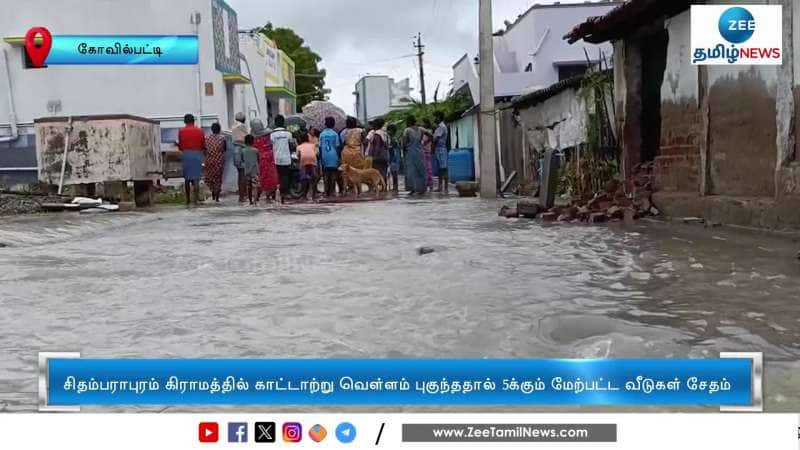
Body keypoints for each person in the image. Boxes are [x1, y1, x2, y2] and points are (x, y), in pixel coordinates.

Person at [177, 113, 205, 205]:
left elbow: (180, 146)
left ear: (185, 121)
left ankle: (188, 199)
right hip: (197, 154)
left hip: (186, 155)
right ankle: (195, 200)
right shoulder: (200, 131)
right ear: (193, 121)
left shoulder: (181, 131)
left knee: (187, 178)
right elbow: (202, 145)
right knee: (196, 178)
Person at [251, 119, 279, 204]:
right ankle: (270, 197)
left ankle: (257, 198)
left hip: (260, 161)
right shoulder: (267, 136)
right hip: (270, 159)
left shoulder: (254, 140)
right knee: (271, 178)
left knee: (261, 179)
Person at [270, 115, 296, 204]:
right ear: (283, 122)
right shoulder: (288, 133)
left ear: (275, 123)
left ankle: (274, 194)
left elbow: (270, 146)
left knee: (275, 176)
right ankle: (283, 194)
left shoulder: (272, 134)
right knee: (285, 176)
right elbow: (292, 145)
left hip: (275, 158)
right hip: (286, 158)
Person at [402, 115, 427, 196]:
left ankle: (412, 189)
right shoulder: (421, 129)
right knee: (420, 169)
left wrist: (404, 151)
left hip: (410, 152)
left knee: (410, 171)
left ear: (408, 122)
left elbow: (404, 142)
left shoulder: (407, 130)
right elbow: (430, 135)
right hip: (419, 151)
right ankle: (422, 188)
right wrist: (422, 142)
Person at [203, 122, 226, 202]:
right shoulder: (222, 138)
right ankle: (217, 197)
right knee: (218, 179)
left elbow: (204, 150)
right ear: (219, 130)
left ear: (212, 130)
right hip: (219, 161)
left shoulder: (206, 138)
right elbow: (224, 149)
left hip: (209, 160)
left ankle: (213, 194)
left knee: (210, 178)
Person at [319, 116, 342, 197]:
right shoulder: (335, 134)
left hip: (325, 156)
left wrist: (321, 158)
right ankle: (332, 192)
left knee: (326, 175)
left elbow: (320, 147)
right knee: (333, 175)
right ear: (333, 124)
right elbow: (338, 146)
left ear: (325, 124)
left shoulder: (322, 134)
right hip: (333, 156)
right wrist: (339, 158)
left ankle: (326, 192)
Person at [231, 112, 249, 203]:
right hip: (242, 150)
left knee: (240, 173)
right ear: (244, 119)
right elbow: (247, 138)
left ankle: (241, 195)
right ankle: (243, 196)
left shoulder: (233, 126)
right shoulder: (242, 127)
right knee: (243, 174)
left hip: (235, 151)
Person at [366, 118, 390, 184]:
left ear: (376, 125)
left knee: (377, 171)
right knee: (383, 171)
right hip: (385, 155)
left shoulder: (377, 134)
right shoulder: (385, 133)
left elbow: (377, 145)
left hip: (378, 156)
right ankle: (384, 186)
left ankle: (379, 186)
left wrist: (374, 156)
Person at [296, 132, 318, 201]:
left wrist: (301, 164)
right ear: (308, 138)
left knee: (304, 178)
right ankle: (314, 194)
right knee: (313, 178)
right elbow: (316, 153)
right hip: (312, 159)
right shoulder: (312, 145)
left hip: (303, 160)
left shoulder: (299, 146)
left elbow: (298, 156)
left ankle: (304, 195)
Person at [239, 134, 260, 205]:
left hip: (247, 171)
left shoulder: (242, 151)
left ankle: (250, 201)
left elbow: (242, 160)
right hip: (254, 171)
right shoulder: (256, 150)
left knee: (249, 187)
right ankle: (255, 201)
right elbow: (258, 160)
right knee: (255, 186)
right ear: (253, 141)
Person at [433, 112, 449, 193]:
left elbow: (436, 138)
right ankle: (441, 187)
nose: (434, 118)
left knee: (443, 168)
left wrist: (433, 144)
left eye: (436, 117)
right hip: (440, 149)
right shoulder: (439, 127)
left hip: (440, 149)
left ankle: (445, 187)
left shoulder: (441, 127)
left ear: (439, 117)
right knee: (440, 168)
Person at [387, 123, 401, 194]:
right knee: (392, 173)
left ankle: (395, 188)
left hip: (394, 159)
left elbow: (394, 150)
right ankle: (394, 187)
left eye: (388, 130)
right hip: (392, 158)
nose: (387, 132)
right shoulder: (391, 139)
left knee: (394, 173)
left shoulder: (393, 140)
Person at [421, 118, 434, 191]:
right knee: (426, 168)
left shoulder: (428, 131)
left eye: (423, 123)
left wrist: (424, 144)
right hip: (424, 150)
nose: (422, 125)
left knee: (427, 168)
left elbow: (430, 138)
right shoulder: (425, 131)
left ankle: (430, 183)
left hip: (426, 150)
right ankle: (428, 183)